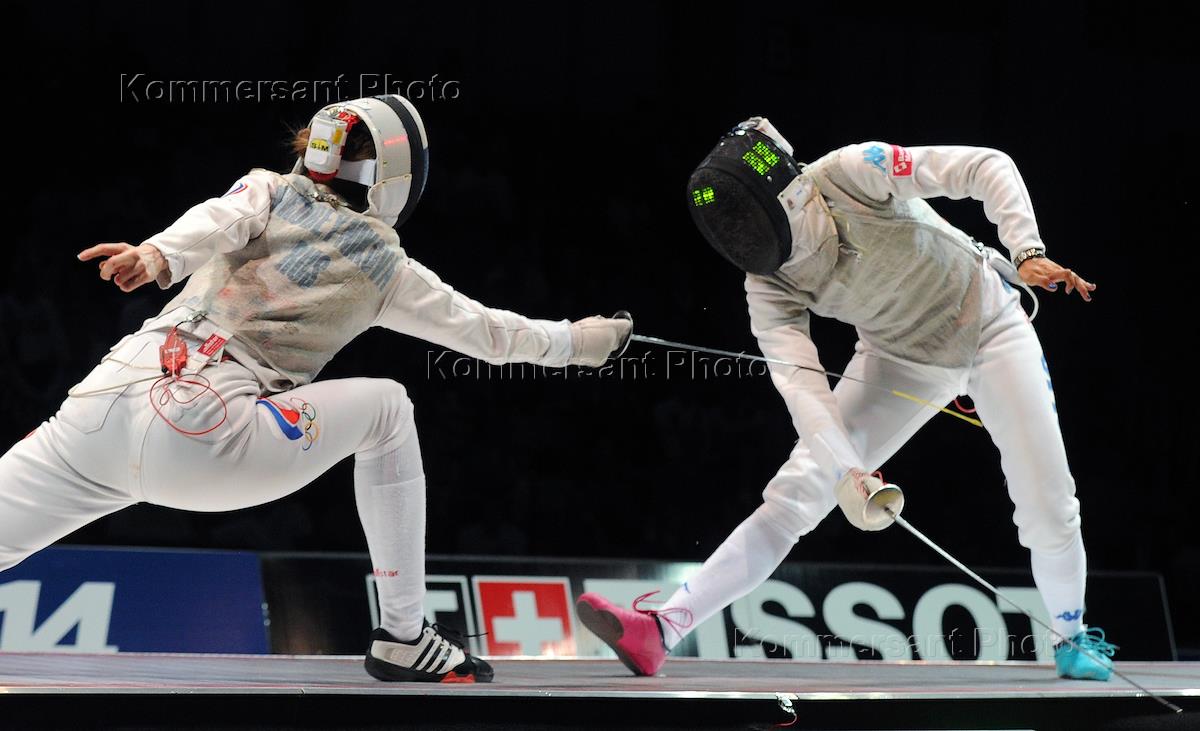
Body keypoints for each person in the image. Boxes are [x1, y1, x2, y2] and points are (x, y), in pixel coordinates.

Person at [0, 94, 631, 683]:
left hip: (99, 409)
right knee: (387, 408)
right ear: (398, 175)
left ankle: (409, 638)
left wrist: (157, 255)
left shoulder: (266, 190)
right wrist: (579, 342)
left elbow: (218, 218)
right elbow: (491, 333)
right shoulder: (385, 267)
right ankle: (405, 636)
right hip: (204, 432)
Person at [576, 117, 1115, 681]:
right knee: (797, 492)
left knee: (1047, 501)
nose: (789, 263)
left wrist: (1025, 247)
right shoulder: (766, 285)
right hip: (901, 359)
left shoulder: (854, 170)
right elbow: (802, 386)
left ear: (794, 192)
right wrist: (845, 471)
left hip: (991, 324)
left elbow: (986, 166)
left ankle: (1072, 635)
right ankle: (662, 628)